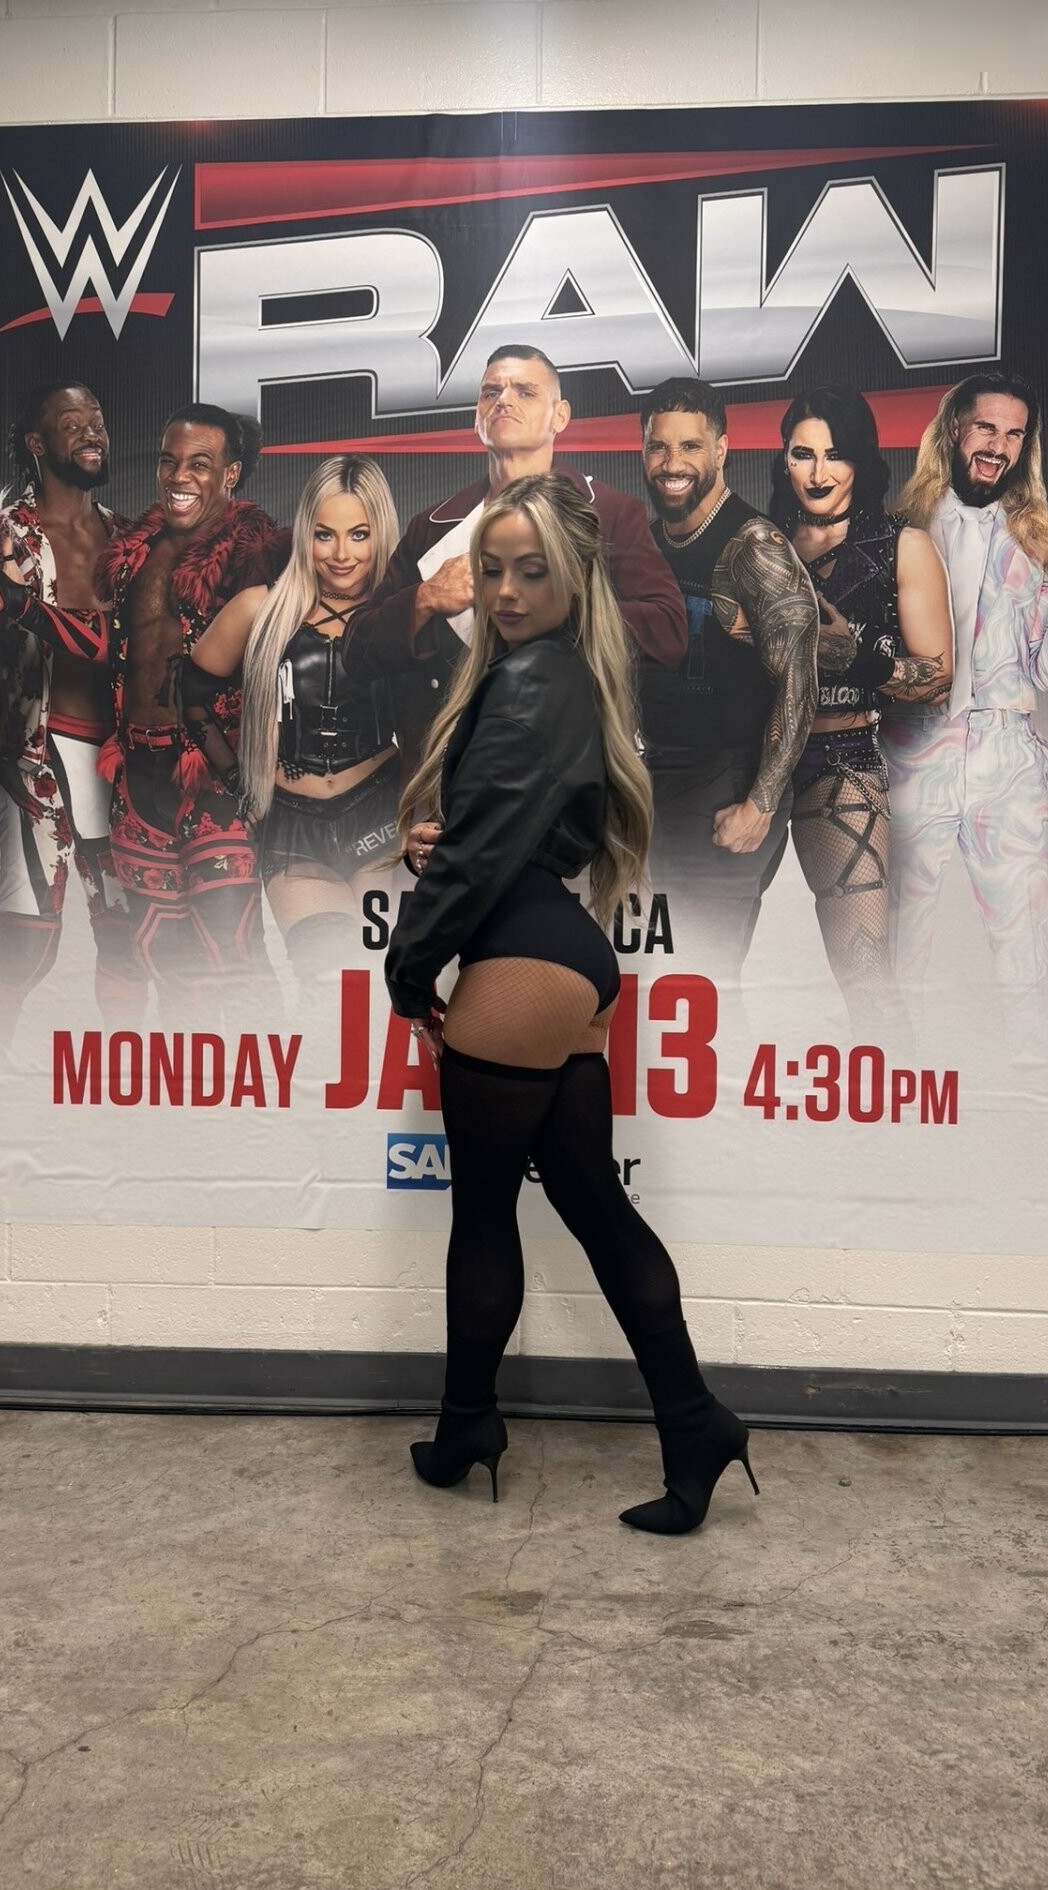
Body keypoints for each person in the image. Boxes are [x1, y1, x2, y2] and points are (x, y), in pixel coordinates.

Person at [385, 471, 757, 1536]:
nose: (506, 592)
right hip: (565, 959)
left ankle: (467, 1425)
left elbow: (484, 855)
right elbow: (510, 832)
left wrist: (410, 967)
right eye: (492, 570)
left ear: (575, 577)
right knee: (594, 1205)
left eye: (532, 572)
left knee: (484, 1214)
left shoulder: (532, 682)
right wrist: (448, 841)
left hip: (520, 965)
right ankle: (694, 1423)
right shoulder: (557, 677)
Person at [0, 406, 291, 1017]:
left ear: (232, 474)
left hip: (213, 778)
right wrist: (22, 604)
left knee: (236, 951)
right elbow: (109, 644)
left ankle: (269, 1075)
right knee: (165, 962)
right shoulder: (135, 552)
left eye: (200, 464)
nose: (179, 476)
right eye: (170, 461)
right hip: (137, 778)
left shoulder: (258, 552)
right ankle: (186, 1076)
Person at [346, 344, 685, 779]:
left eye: (525, 391)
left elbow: (669, 631)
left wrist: (558, 611)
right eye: (491, 392)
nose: (503, 400)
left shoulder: (609, 513)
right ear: (477, 417)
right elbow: (357, 653)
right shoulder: (432, 526)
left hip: (567, 773)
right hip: (449, 781)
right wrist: (425, 598)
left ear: (560, 415)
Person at [882, 374, 1048, 1056]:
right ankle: (892, 1064)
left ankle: (1035, 1071)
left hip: (1006, 754)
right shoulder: (903, 528)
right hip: (915, 746)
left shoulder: (1045, 541)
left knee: (1025, 929)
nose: (999, 445)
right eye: (987, 427)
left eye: (1015, 434)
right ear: (955, 430)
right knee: (898, 925)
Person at [0, 382, 143, 1064]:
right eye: (72, 422)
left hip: (122, 760)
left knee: (127, 931)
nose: (92, 430)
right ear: (38, 443)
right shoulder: (2, 539)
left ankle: (125, 1080)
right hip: (40, 754)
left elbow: (132, 650)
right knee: (28, 938)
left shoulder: (130, 538)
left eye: (97, 419)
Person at [767, 384, 953, 1040]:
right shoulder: (760, 545)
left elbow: (938, 678)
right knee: (707, 949)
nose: (818, 473)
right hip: (742, 762)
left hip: (836, 760)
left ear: (862, 460)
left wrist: (860, 660)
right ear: (784, 460)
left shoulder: (902, 545)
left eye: (836, 454)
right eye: (803, 454)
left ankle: (894, 1091)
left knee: (866, 975)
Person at [174, 456, 401, 985]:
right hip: (294, 829)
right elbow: (190, 696)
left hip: (382, 823)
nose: (341, 554)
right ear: (305, 534)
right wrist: (242, 783)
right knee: (329, 977)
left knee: (381, 979)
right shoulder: (261, 609)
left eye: (359, 534)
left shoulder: (403, 614)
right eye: (325, 535)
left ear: (381, 533)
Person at [635, 377, 822, 979]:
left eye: (690, 447)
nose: (672, 464)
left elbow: (800, 679)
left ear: (720, 450)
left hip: (728, 780)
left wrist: (761, 803)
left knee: (703, 976)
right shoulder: (647, 544)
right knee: (658, 967)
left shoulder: (754, 544)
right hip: (658, 780)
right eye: (659, 447)